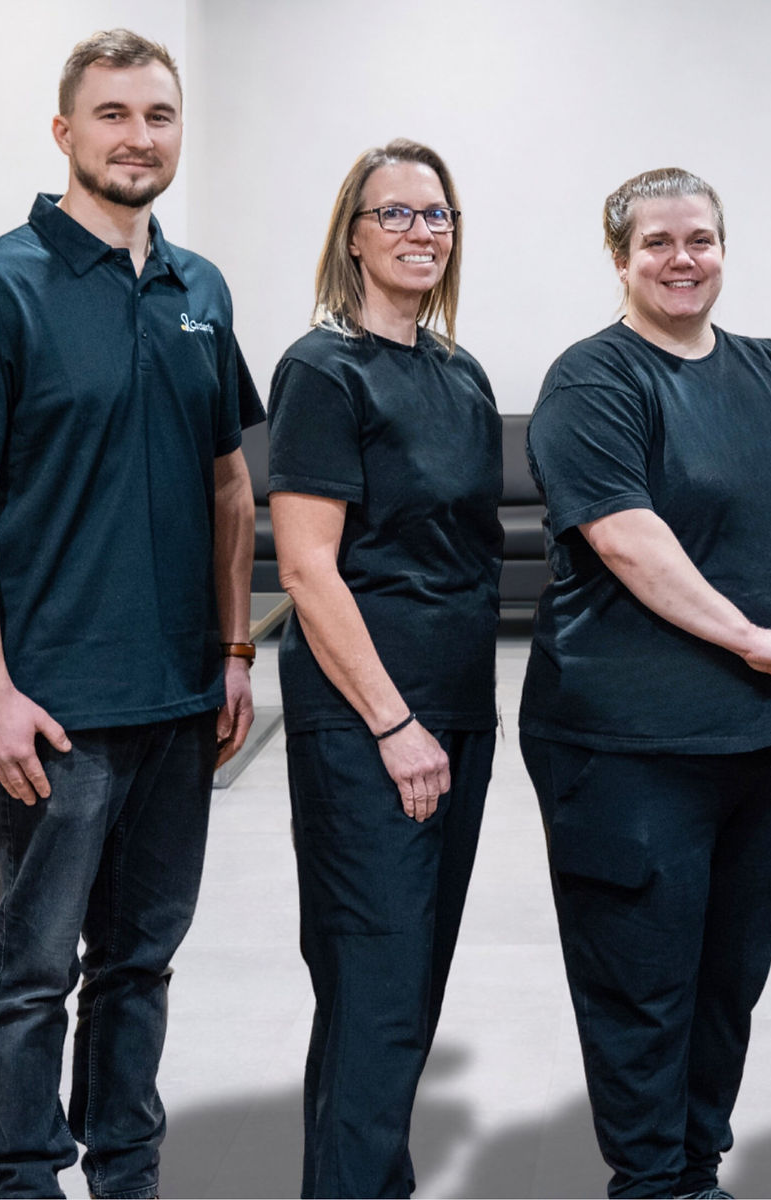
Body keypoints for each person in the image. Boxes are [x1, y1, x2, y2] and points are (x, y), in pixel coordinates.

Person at [0, 29, 261, 1199]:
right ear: (65, 132)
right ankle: (21, 1179)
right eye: (113, 115)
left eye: (158, 115)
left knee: (140, 964)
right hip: (50, 705)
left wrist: (233, 650)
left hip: (177, 698)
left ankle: (127, 1170)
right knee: (31, 970)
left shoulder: (197, 287)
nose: (138, 137)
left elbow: (227, 484)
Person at [520, 167, 771, 1199]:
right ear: (620, 257)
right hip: (633, 749)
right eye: (659, 243)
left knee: (729, 981)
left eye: (702, 239)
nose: (684, 259)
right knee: (644, 984)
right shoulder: (595, 380)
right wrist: (757, 642)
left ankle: (695, 1168)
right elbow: (629, 540)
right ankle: (651, 1180)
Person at [267, 139, 501, 1199]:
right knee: (375, 980)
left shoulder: (460, 373)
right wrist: (393, 724)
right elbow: (311, 570)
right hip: (369, 719)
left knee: (410, 982)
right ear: (352, 234)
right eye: (397, 214)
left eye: (438, 215)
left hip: (459, 708)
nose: (421, 233)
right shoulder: (322, 370)